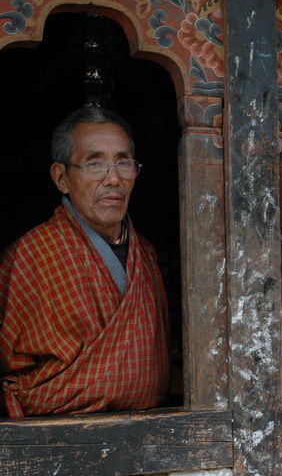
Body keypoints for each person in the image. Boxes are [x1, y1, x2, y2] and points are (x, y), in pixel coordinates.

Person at [0, 106, 170, 418]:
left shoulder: (145, 254)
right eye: (95, 165)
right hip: (55, 437)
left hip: (150, 434)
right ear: (61, 177)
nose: (113, 180)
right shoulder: (30, 256)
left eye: (124, 163)